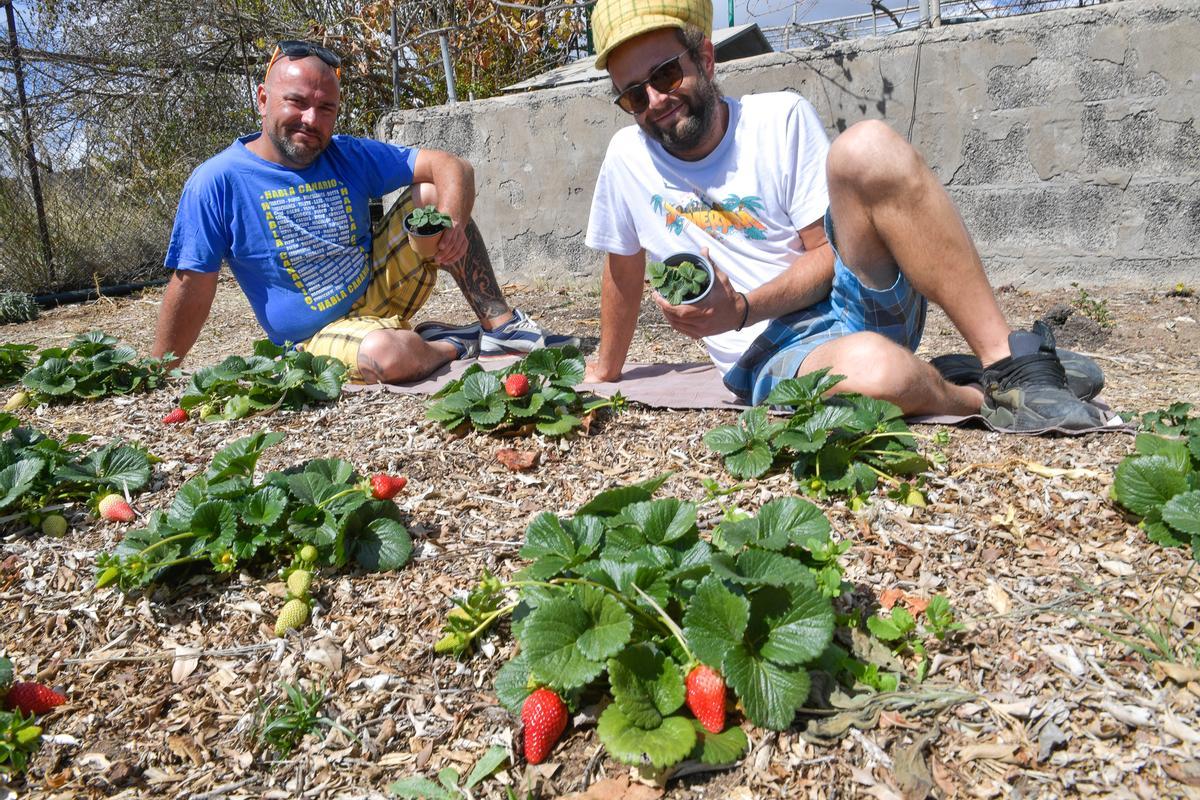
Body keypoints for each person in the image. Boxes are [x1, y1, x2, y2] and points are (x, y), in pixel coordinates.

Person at [582, 0, 1106, 431]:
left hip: (849, 301)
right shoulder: (627, 159)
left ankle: (1008, 365)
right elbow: (622, 268)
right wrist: (605, 370)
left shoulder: (779, 119)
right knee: (876, 374)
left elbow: (828, 255)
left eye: (666, 74)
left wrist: (741, 307)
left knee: (867, 145)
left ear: (706, 59)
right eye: (633, 95)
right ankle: (977, 396)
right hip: (772, 353)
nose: (655, 100)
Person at [152, 39, 576, 383]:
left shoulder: (346, 154)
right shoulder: (217, 181)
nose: (311, 119)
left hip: (379, 291)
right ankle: (455, 344)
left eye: (326, 108)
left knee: (431, 195)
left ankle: (501, 327)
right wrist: (158, 371)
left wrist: (453, 222)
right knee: (386, 355)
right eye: (296, 102)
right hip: (313, 339)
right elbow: (192, 283)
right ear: (263, 100)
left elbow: (453, 166)